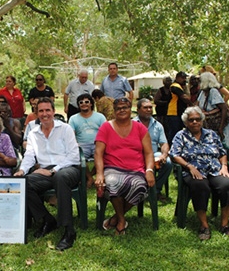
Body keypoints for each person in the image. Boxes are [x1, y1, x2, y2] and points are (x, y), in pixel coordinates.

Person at [14, 97, 80, 251]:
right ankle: (47, 220)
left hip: (68, 168)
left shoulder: (65, 129)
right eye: (41, 111)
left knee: (60, 177)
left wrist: (53, 170)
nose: (44, 114)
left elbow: (74, 157)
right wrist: (22, 170)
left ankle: (69, 230)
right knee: (24, 182)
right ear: (36, 113)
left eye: (47, 110)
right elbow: (30, 156)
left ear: (53, 112)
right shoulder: (33, 134)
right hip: (45, 171)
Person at [169, 106, 229, 240]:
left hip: (214, 169)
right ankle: (204, 226)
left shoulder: (211, 134)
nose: (195, 122)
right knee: (200, 186)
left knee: (228, 184)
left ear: (202, 120)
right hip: (193, 171)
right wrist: (189, 167)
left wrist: (224, 167)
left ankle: (224, 225)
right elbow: (174, 155)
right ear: (186, 122)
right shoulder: (181, 136)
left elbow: (222, 153)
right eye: (191, 120)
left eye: (197, 119)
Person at [94, 97, 155, 235]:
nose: (122, 110)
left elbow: (149, 153)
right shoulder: (106, 127)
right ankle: (121, 221)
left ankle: (116, 217)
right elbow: (98, 153)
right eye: (118, 108)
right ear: (114, 111)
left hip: (136, 170)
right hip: (113, 168)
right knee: (112, 183)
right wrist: (99, 173)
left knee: (140, 186)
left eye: (125, 107)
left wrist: (149, 170)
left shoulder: (140, 128)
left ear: (130, 109)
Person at [133, 98, 173, 201]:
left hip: (154, 154)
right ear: (138, 110)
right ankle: (139, 190)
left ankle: (155, 190)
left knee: (168, 162)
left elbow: (164, 143)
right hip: (136, 154)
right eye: (145, 107)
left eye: (150, 107)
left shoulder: (158, 125)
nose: (149, 110)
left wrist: (163, 155)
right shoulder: (131, 124)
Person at [68, 93, 106, 187]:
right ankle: (89, 178)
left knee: (106, 156)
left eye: (86, 102)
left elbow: (106, 133)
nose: (84, 104)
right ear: (78, 105)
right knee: (76, 158)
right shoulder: (73, 118)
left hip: (97, 144)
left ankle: (94, 174)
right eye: (81, 102)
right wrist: (75, 145)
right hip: (81, 145)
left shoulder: (100, 117)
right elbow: (71, 135)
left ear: (91, 104)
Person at [197, 72, 229, 138]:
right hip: (206, 125)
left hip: (214, 126)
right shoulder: (203, 92)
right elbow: (197, 104)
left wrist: (221, 128)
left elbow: (224, 108)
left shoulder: (213, 91)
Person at [166, 71, 193, 146]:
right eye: (182, 78)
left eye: (185, 78)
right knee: (174, 133)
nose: (184, 79)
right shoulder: (175, 86)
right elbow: (184, 97)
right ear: (177, 78)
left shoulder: (180, 86)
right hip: (174, 112)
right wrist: (192, 105)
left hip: (178, 112)